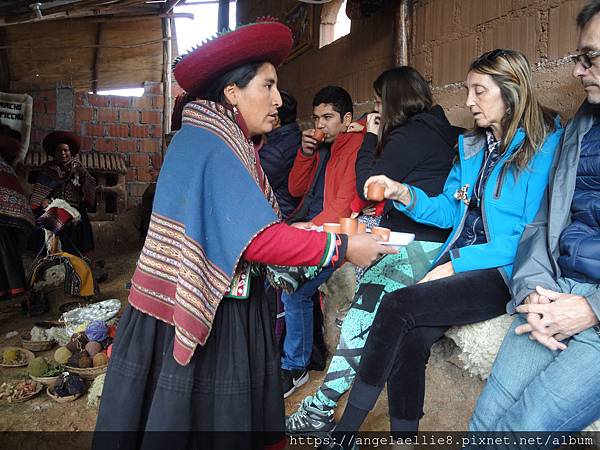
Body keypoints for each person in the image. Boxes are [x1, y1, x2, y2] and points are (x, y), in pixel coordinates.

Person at [93, 20, 394, 450]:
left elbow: (249, 226)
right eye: (267, 86)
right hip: (212, 312)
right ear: (232, 93)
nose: (277, 100)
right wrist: (344, 246)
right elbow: (255, 241)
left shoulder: (215, 139)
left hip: (204, 302)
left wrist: (299, 231)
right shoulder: (212, 145)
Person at [322, 48, 564, 449]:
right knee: (410, 340)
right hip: (458, 257)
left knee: (398, 305)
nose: (468, 102)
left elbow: (527, 236)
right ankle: (404, 440)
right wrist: (405, 194)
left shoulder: (541, 147)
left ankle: (345, 431)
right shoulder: (472, 147)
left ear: (511, 92)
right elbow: (451, 211)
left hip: (503, 269)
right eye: (469, 91)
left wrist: (456, 265)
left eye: (479, 92)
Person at [286, 66, 461, 435]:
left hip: (416, 244)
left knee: (360, 316)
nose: (377, 109)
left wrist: (370, 137)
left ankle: (320, 409)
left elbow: (369, 187)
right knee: (364, 310)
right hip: (422, 239)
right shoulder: (436, 129)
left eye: (380, 101)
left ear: (394, 101)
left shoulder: (409, 136)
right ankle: (325, 410)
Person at [468, 1, 600, 440]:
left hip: (594, 308)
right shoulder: (584, 125)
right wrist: (533, 291)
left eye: (590, 57)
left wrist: (592, 309)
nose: (579, 70)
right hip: (557, 287)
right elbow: (542, 224)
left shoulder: (543, 139)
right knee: (484, 422)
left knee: (523, 428)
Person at [280, 86, 365, 398]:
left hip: (335, 234)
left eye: (328, 118)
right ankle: (294, 358)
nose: (320, 125)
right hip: (313, 227)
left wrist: (305, 232)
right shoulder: (324, 147)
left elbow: (341, 209)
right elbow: (295, 188)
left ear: (346, 119)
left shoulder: (354, 147)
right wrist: (305, 153)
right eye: (316, 118)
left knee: (295, 290)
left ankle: (295, 366)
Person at [30, 131, 96, 256]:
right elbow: (40, 191)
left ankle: (73, 259)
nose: (62, 153)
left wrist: (82, 175)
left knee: (76, 224)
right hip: (52, 205)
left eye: (66, 150)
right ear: (54, 153)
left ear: (71, 152)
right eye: (59, 151)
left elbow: (89, 185)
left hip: (74, 206)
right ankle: (48, 256)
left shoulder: (78, 167)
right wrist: (43, 200)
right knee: (43, 223)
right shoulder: (47, 168)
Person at [0, 124, 33, 300]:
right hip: (11, 216)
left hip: (6, 217)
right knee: (7, 249)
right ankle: (11, 288)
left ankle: (14, 288)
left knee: (5, 248)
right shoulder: (6, 167)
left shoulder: (5, 167)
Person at [259, 90, 301, 220]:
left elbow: (256, 186)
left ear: (275, 118)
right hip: (293, 211)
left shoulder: (274, 151)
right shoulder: (297, 136)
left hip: (281, 216)